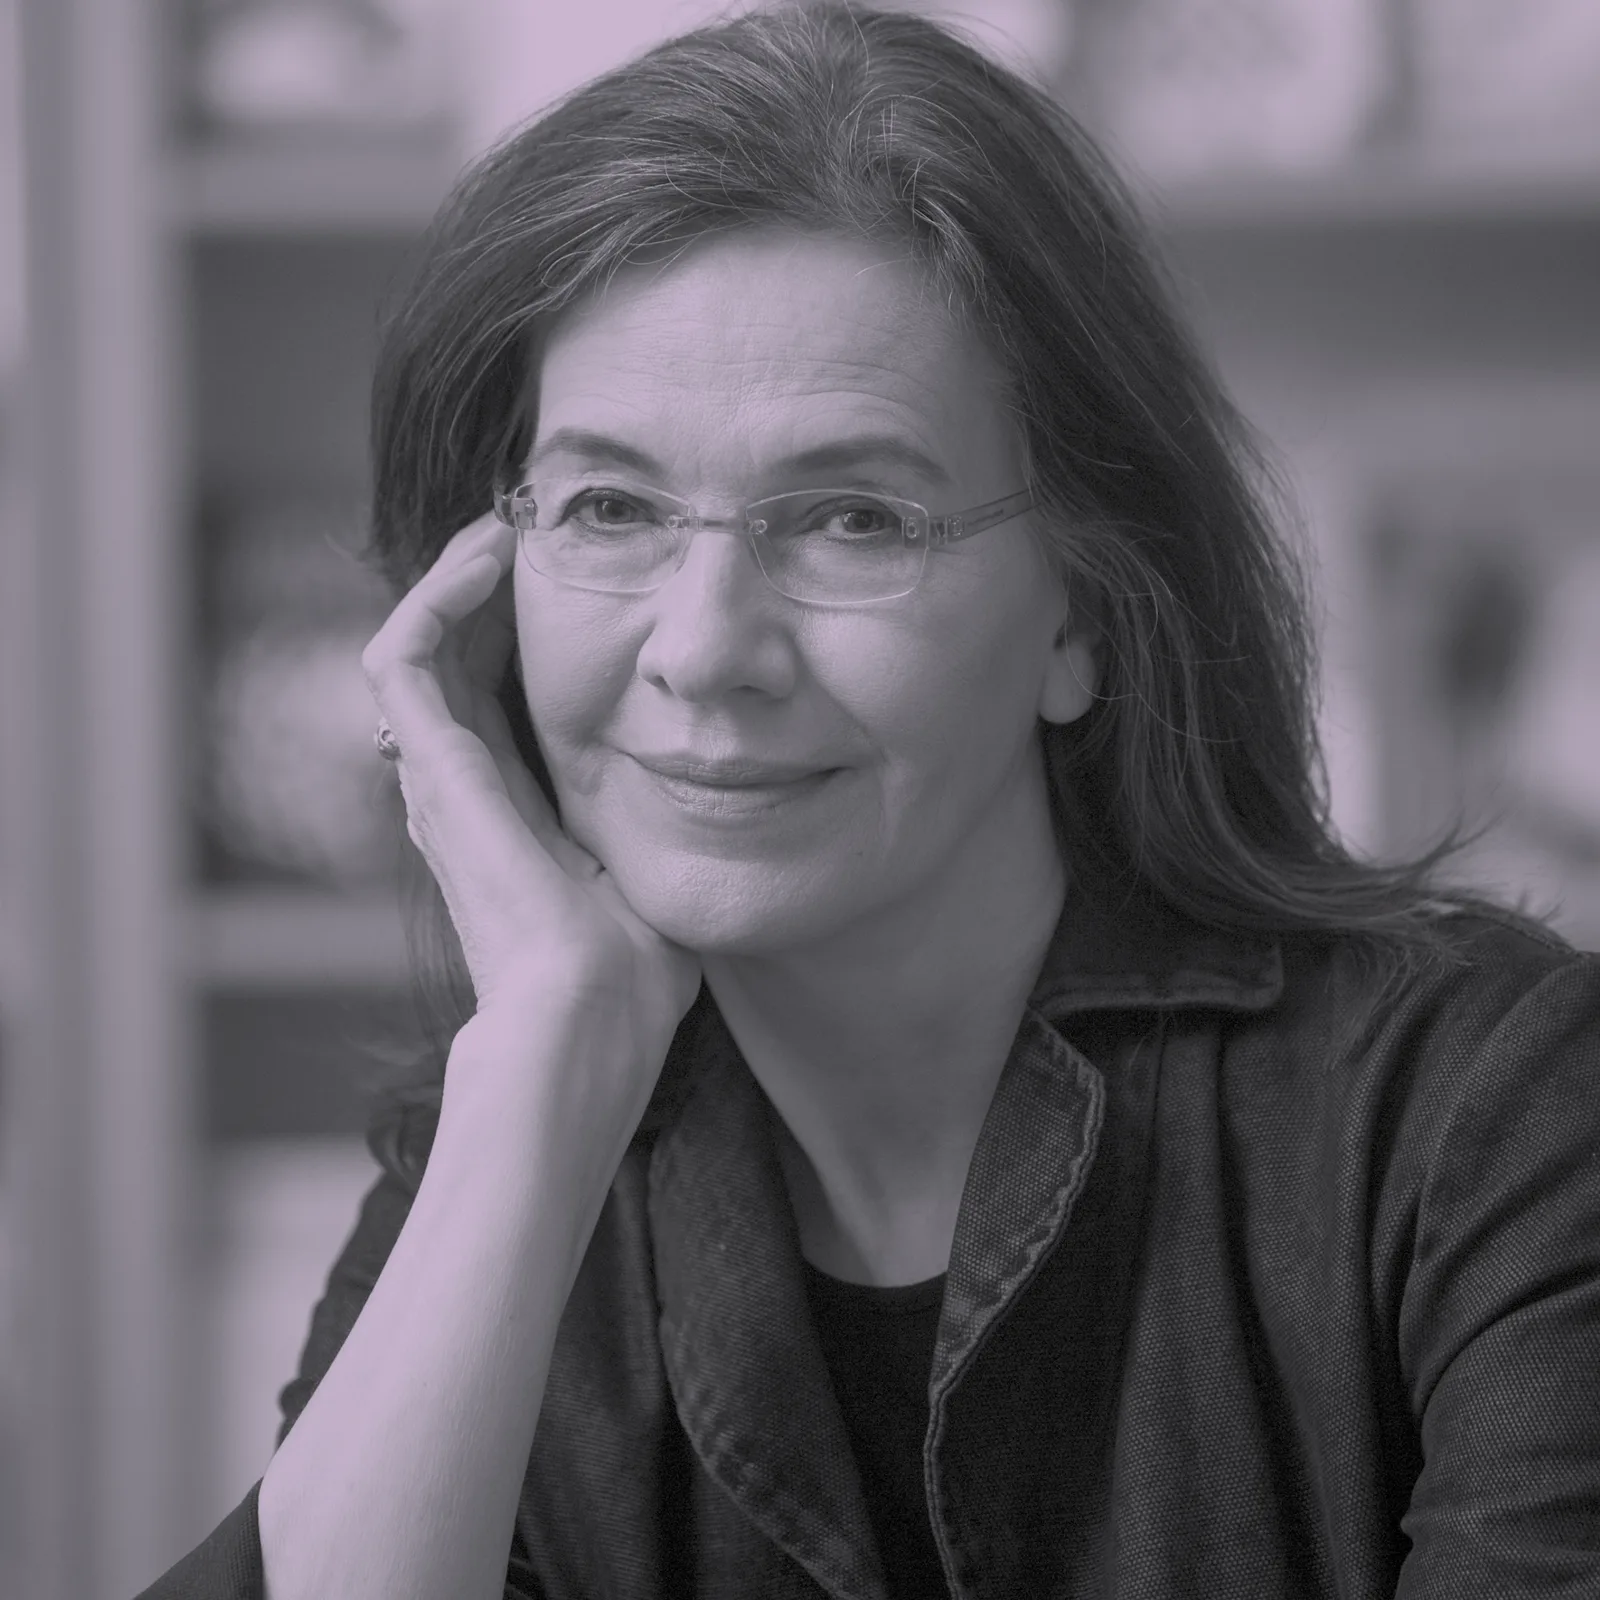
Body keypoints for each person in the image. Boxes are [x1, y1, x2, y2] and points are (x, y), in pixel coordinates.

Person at [137, 4, 1600, 1597]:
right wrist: (543, 1054)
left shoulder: (1496, 1115)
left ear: (1081, 614)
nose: (703, 651)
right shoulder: (509, 1160)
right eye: (611, 505)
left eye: (851, 518)